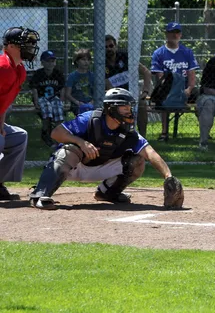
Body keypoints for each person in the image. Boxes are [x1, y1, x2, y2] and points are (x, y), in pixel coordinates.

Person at [29, 88, 178, 210]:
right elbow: (56, 133)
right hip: (73, 167)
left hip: (101, 166)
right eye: (124, 107)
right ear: (111, 108)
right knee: (68, 150)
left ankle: (107, 193)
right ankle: (40, 195)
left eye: (129, 107)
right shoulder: (89, 119)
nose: (129, 111)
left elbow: (150, 153)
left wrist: (168, 176)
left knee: (137, 161)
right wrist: (81, 142)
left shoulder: (128, 131)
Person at [0, 27, 40, 200]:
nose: (30, 47)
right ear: (10, 46)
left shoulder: (19, 70)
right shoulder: (3, 67)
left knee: (18, 137)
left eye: (32, 44)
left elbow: (3, 103)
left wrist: (1, 124)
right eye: (26, 43)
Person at [151, 22, 199, 141]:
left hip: (186, 89)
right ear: (166, 34)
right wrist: (173, 90)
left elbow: (192, 74)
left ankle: (204, 133)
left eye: (177, 32)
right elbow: (160, 78)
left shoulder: (187, 52)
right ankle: (164, 133)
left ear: (180, 35)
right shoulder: (159, 53)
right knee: (163, 97)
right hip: (168, 89)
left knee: (202, 98)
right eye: (171, 32)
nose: (174, 35)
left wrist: (189, 89)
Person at [105, 34, 152, 137]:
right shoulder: (101, 63)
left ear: (115, 46)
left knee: (142, 104)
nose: (109, 49)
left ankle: (142, 137)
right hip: (113, 97)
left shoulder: (126, 57)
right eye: (106, 47)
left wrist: (145, 92)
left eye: (111, 46)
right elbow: (107, 86)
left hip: (132, 94)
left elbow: (146, 72)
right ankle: (121, 135)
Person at [30, 50, 65, 148]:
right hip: (42, 98)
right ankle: (46, 133)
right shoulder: (38, 74)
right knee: (47, 110)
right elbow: (34, 89)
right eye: (48, 61)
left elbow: (62, 88)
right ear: (42, 62)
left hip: (54, 98)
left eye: (53, 61)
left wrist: (62, 100)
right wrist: (36, 101)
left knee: (58, 111)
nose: (51, 63)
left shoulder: (58, 73)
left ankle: (59, 135)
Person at [65, 48, 94, 115]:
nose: (86, 62)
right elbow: (68, 94)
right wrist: (78, 102)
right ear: (77, 61)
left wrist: (92, 102)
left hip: (91, 102)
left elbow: (97, 92)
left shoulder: (92, 76)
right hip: (77, 104)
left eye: (88, 60)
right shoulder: (72, 76)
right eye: (83, 60)